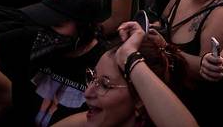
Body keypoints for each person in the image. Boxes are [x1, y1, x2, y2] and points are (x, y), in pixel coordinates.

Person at [0, 0, 106, 126]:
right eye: (44, 19)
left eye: (57, 24)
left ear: (86, 28)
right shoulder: (32, 40)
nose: (47, 29)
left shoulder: (105, 66)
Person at [53, 21, 198, 127]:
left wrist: (129, 57)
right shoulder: (85, 122)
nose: (87, 92)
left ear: (139, 99)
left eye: (105, 84)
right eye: (92, 77)